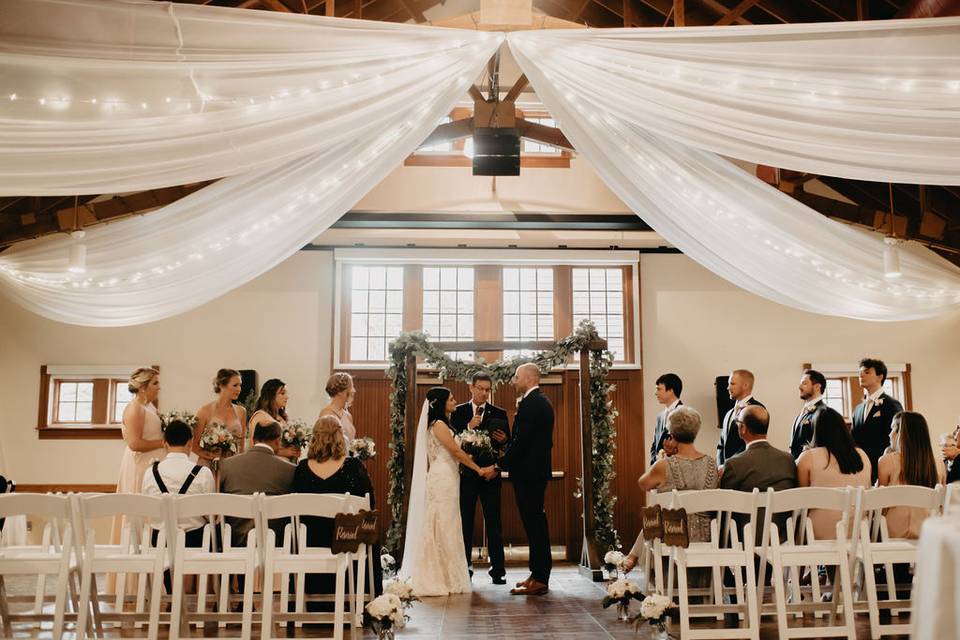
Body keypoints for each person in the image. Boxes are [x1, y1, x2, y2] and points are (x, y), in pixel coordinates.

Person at [399, 387, 495, 597]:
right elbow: (454, 451)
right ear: (441, 403)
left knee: (448, 523)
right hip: (442, 478)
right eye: (451, 399)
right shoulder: (439, 425)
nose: (454, 401)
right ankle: (438, 576)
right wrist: (478, 469)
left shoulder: (443, 424)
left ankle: (448, 573)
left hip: (449, 477)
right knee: (442, 523)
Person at [292, 415, 384, 602]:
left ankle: (311, 598)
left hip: (311, 540)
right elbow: (369, 504)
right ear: (340, 436)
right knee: (371, 531)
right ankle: (365, 597)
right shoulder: (353, 466)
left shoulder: (301, 469)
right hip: (345, 539)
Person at [624, 406, 718, 572]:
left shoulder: (664, 465)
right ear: (696, 432)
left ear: (672, 435)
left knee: (656, 514)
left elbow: (643, 484)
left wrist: (665, 459)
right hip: (708, 535)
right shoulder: (712, 464)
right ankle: (632, 556)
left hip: (673, 534)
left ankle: (632, 557)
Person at [493, 364, 554, 596]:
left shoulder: (533, 403)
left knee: (535, 525)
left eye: (516, 377)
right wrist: (507, 444)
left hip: (530, 474)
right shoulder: (536, 402)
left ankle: (540, 578)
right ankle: (536, 574)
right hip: (531, 473)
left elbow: (524, 443)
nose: (512, 381)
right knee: (534, 524)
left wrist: (500, 464)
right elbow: (523, 440)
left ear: (528, 378)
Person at [450, 373, 510, 585]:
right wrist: (468, 427)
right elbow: (451, 443)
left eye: (487, 389)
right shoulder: (458, 412)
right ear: (471, 388)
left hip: (491, 475)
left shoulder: (499, 413)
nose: (484, 393)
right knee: (465, 522)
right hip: (467, 475)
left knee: (494, 522)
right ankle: (465, 567)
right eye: (481, 388)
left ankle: (498, 570)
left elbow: (507, 448)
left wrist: (503, 443)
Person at [140, 420, 215, 590]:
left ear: (164, 443)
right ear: (190, 443)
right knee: (209, 529)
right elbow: (210, 512)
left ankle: (171, 593)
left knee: (162, 531)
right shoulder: (203, 473)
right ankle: (191, 593)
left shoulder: (150, 472)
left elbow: (147, 507)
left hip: (160, 539)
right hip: (195, 540)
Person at [721, 405, 798, 544]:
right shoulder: (788, 459)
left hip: (747, 538)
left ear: (743, 428)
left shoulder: (734, 464)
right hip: (783, 537)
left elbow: (726, 508)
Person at [797, 407, 871, 541]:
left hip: (819, 532)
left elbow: (803, 501)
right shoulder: (863, 456)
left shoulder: (807, 458)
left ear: (816, 430)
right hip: (856, 531)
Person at [220, 421, 296, 547]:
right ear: (278, 441)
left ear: (253, 439)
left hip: (235, 540)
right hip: (275, 541)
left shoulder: (226, 465)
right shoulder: (290, 470)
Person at [876, 411, 945, 539]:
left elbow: (880, 505)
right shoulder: (939, 465)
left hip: (892, 534)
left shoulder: (886, 461)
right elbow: (941, 505)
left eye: (893, 429)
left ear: (902, 434)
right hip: (929, 532)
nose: (889, 434)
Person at [851, 357, 903, 483]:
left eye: (867, 372)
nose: (861, 375)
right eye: (860, 373)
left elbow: (898, 437)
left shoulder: (891, 404)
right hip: (861, 468)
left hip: (883, 466)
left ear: (880, 377)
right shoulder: (858, 409)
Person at [116, 367, 166, 496]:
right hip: (140, 463)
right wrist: (164, 443)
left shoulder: (149, 406)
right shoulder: (135, 409)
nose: (159, 387)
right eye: (155, 383)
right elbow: (135, 444)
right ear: (143, 387)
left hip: (152, 462)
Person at [193, 368, 247, 468]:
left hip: (232, 465)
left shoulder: (241, 411)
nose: (239, 389)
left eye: (240, 385)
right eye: (235, 385)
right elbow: (193, 445)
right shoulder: (205, 411)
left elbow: (242, 447)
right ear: (222, 385)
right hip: (209, 465)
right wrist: (211, 456)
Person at [717, 370, 765, 468]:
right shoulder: (728, 413)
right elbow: (721, 444)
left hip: (746, 468)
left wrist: (730, 464)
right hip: (726, 471)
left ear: (745, 385)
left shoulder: (757, 409)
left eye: (732, 383)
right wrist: (720, 466)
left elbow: (754, 442)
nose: (728, 387)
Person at [248, 378, 301, 461]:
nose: (287, 397)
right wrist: (284, 452)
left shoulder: (282, 417)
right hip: (269, 463)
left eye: (286, 394)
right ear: (271, 396)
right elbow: (257, 446)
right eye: (282, 393)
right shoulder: (260, 416)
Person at [789, 370, 826, 460]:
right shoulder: (804, 411)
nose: (799, 387)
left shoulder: (823, 413)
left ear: (817, 387)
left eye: (804, 384)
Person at [650, 373, 683, 467]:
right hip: (658, 469)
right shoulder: (660, 416)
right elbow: (655, 445)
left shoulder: (684, 413)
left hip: (677, 468)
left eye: (659, 389)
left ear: (671, 390)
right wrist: (654, 463)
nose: (656, 393)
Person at [319, 372, 357, 445]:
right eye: (351, 387)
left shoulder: (348, 416)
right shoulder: (326, 414)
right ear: (340, 392)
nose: (354, 390)